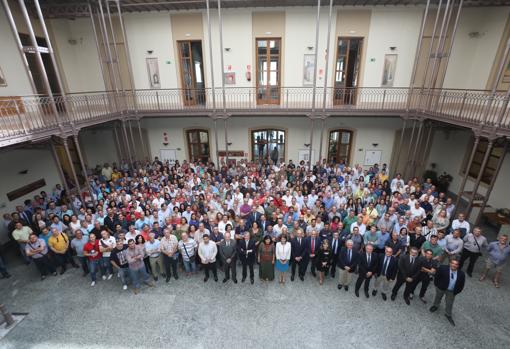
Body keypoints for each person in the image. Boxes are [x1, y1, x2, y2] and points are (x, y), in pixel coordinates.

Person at [429, 258, 466, 326]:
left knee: (449, 303)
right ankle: (435, 306)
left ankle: (448, 314)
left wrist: (457, 291)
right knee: (438, 297)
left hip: (451, 291)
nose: (454, 265)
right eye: (452, 263)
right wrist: (437, 285)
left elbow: (461, 284)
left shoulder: (461, 274)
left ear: (458, 266)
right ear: (450, 263)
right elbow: (437, 277)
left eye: (456, 264)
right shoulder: (442, 268)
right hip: (441, 288)